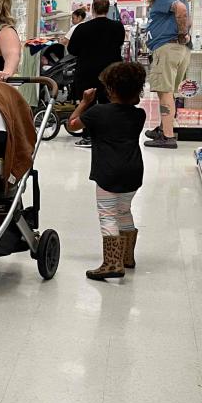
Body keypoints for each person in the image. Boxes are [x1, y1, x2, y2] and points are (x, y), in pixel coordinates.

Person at [67, 62, 146, 281]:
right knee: (124, 211)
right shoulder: (139, 115)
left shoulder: (98, 112)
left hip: (108, 172)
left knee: (108, 215)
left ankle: (112, 263)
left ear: (110, 89)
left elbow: (72, 124)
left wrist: (84, 102)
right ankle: (127, 257)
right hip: (133, 171)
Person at [142, 0, 191, 149]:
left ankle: (167, 136)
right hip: (179, 49)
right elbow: (186, 14)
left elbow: (180, 10)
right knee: (170, 92)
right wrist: (184, 34)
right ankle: (165, 127)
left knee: (164, 93)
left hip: (167, 48)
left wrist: (181, 33)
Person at [68, 0, 125, 147]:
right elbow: (119, 43)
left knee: (88, 103)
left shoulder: (82, 28)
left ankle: (88, 136)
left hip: (87, 70)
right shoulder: (117, 27)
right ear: (108, 9)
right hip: (111, 71)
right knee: (110, 101)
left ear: (92, 9)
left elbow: (72, 49)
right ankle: (108, 134)